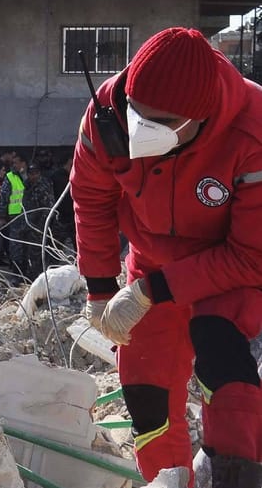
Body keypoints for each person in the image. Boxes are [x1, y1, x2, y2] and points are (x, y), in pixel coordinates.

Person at [73, 27, 262, 487]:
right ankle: (167, 481)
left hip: (228, 270)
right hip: (151, 260)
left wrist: (148, 292)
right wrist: (100, 288)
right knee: (146, 389)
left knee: (225, 371)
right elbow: (92, 200)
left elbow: (252, 256)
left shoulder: (252, 132)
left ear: (200, 118)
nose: (141, 129)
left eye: (161, 122)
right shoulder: (108, 114)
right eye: (139, 114)